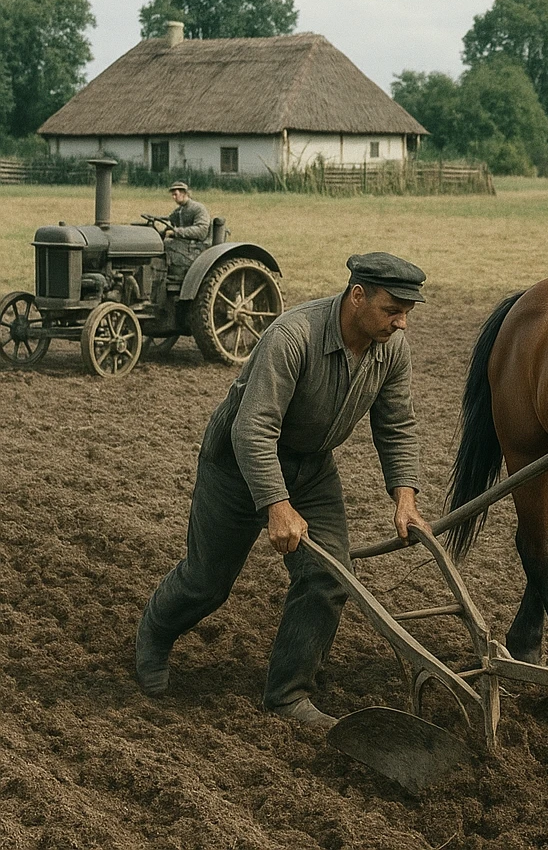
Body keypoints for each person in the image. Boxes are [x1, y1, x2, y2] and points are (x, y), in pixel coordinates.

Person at [135, 252, 432, 729]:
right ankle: (154, 631)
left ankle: (289, 694)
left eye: (407, 312)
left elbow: (396, 423)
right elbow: (252, 430)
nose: (401, 323)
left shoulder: (390, 348)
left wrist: (405, 496)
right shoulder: (293, 336)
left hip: (311, 467)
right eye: (392, 309)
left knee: (329, 576)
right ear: (357, 296)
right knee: (207, 582)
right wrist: (276, 505)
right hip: (236, 465)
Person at [164, 181, 211, 281]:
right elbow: (169, 225)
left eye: (175, 194)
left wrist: (176, 232)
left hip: (194, 248)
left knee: (165, 246)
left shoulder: (198, 208)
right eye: (172, 195)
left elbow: (201, 231)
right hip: (183, 245)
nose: (173, 197)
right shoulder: (178, 211)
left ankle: (173, 276)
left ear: (184, 193)